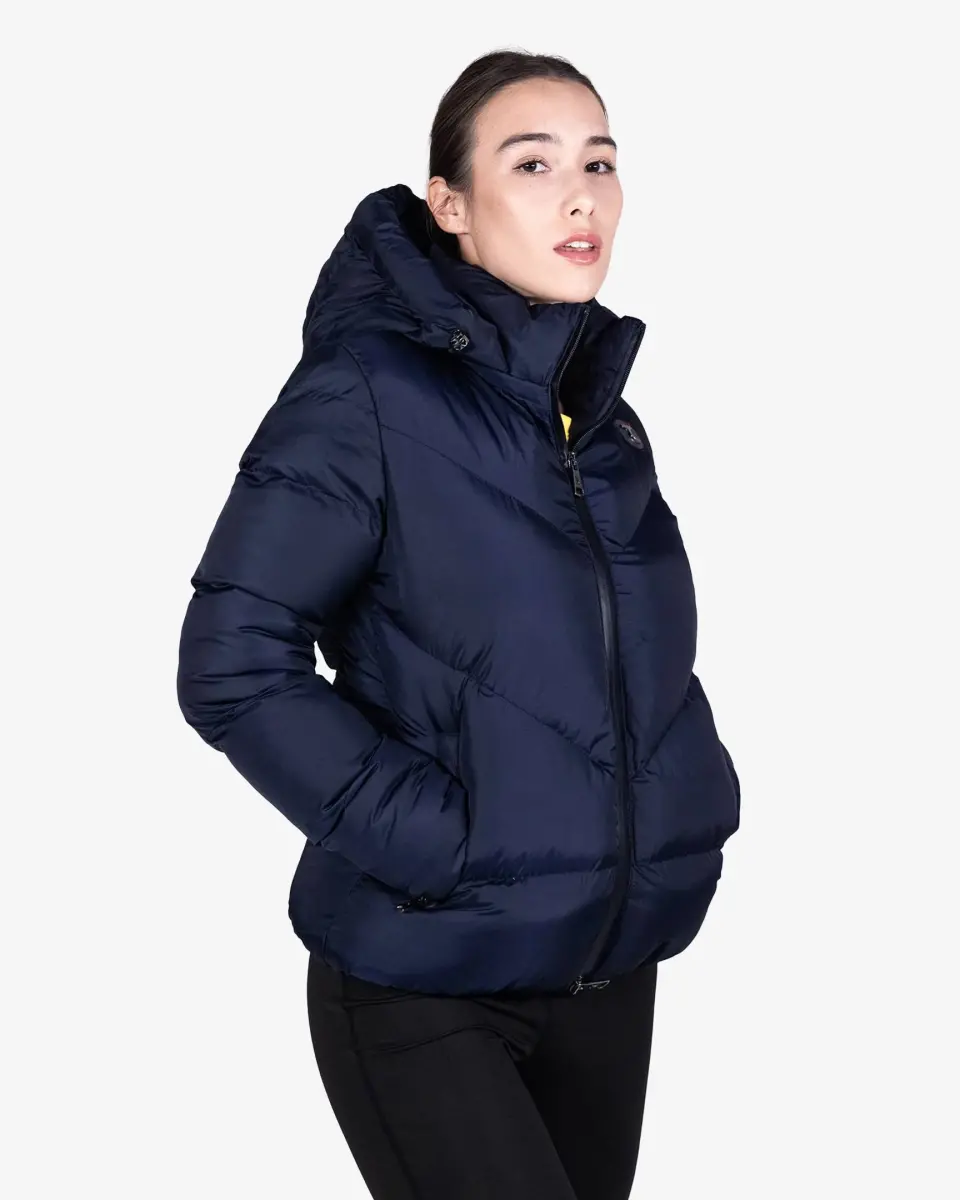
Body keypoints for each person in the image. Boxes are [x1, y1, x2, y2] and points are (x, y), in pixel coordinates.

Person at [177, 48, 740, 1200]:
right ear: (450, 205)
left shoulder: (598, 420)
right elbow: (232, 663)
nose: (580, 197)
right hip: (425, 982)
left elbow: (628, 662)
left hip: (603, 972)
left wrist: (681, 800)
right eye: (532, 164)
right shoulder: (366, 394)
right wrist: (445, 843)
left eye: (599, 163)